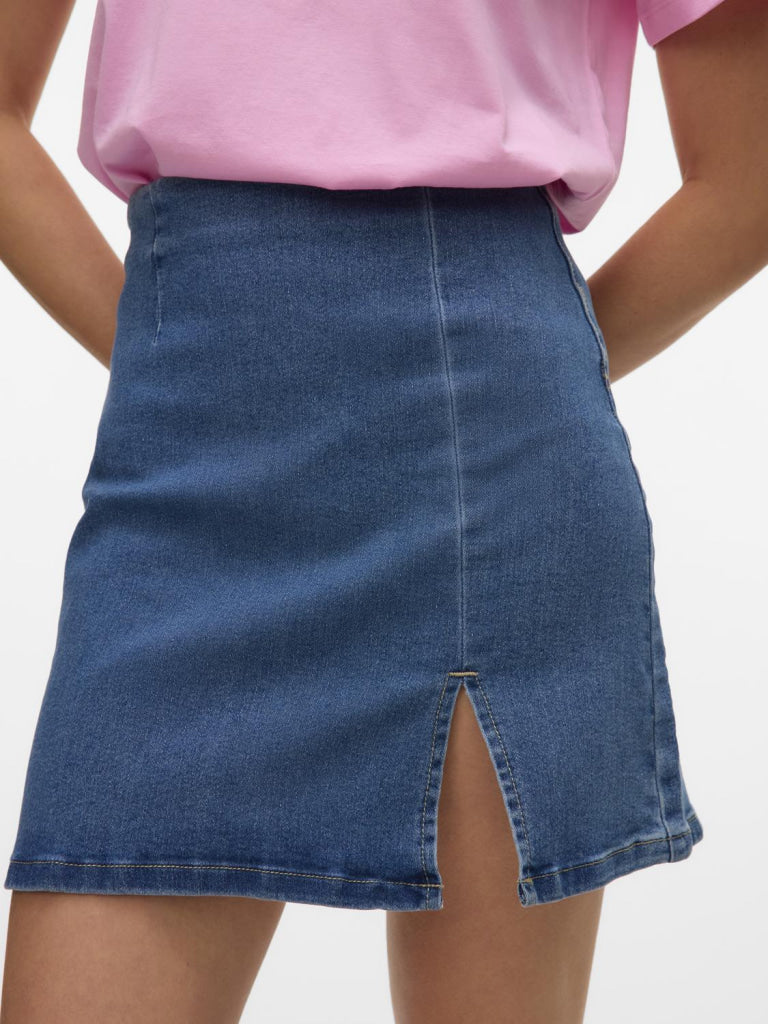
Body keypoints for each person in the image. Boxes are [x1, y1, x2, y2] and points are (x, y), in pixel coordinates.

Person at [1, 0, 765, 1021]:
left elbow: (749, 173)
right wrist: (174, 363)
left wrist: (537, 371)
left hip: (487, 459)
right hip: (192, 448)